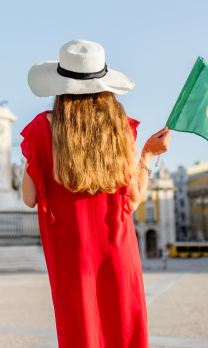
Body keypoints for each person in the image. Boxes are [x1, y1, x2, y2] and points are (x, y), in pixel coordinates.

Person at [21, 40, 171, 348]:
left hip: (70, 253)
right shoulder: (120, 128)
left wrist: (37, 158)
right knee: (122, 327)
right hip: (117, 246)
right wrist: (148, 156)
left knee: (80, 329)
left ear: (60, 86)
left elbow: (29, 197)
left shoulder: (39, 129)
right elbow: (132, 200)